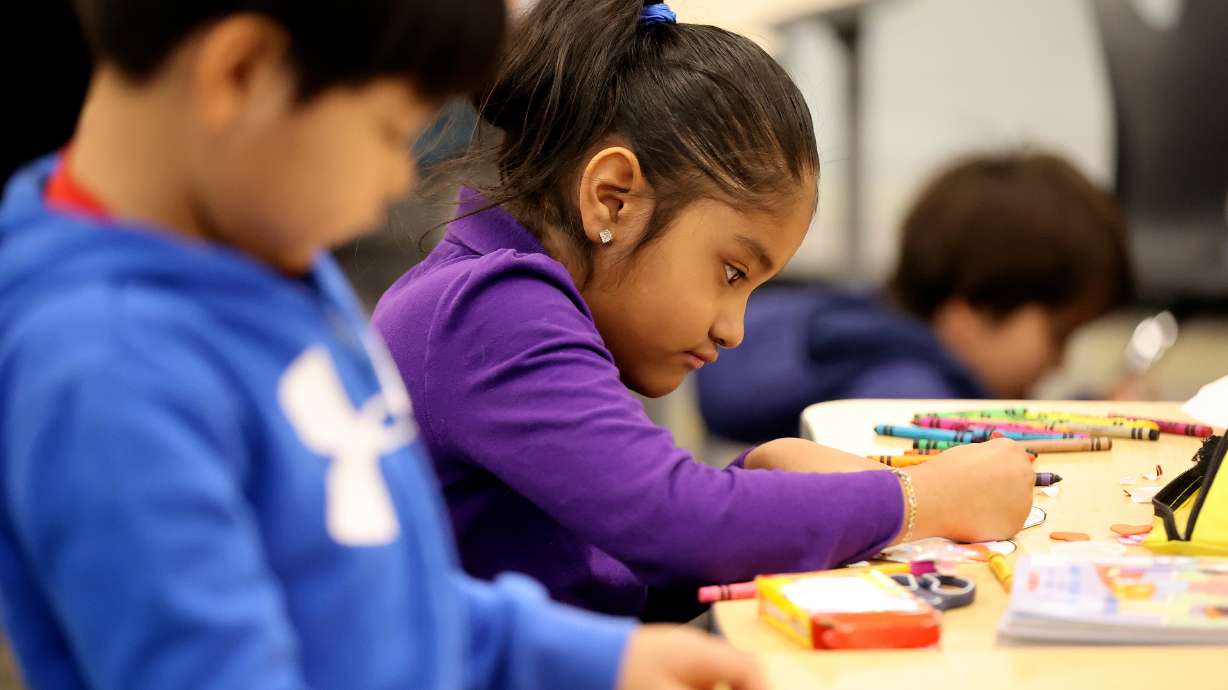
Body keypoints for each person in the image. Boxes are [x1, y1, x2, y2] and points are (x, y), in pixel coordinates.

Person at [0, 2, 765, 689]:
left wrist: (595, 660)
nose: (400, 179)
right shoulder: (104, 376)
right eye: (391, 131)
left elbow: (375, 592)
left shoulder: (269, 257)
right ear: (242, 73)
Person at [373, 0, 1035, 622]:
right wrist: (921, 501)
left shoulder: (506, 297)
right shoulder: (493, 309)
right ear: (612, 198)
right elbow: (678, 526)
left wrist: (756, 478)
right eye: (732, 273)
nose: (733, 328)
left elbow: (619, 573)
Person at [697, 152, 1135, 444]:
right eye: (1059, 336)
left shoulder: (876, 333)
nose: (1060, 363)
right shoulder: (910, 405)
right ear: (972, 311)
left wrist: (1087, 414)